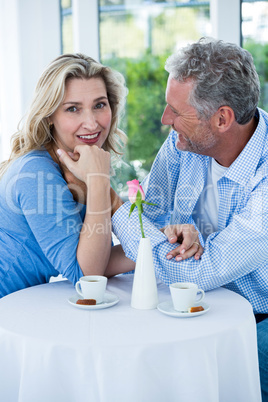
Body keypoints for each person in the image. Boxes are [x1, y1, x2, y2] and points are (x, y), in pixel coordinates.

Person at [110, 37, 268, 399]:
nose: (165, 120)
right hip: (194, 299)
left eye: (176, 112)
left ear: (223, 118)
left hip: (258, 313)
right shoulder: (188, 140)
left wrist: (113, 209)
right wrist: (152, 219)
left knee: (231, 370)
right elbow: (147, 207)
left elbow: (203, 269)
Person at [0, 52, 131, 297]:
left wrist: (157, 246)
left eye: (99, 105)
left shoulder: (73, 164)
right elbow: (87, 275)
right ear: (49, 115)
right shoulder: (35, 172)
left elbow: (95, 260)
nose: (91, 124)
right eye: (73, 109)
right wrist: (98, 181)